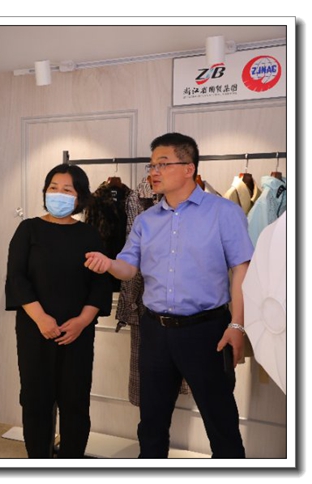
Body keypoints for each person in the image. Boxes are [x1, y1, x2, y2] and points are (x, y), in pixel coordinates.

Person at [85, 133, 252, 458]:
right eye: (152, 165)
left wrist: (237, 325)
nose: (154, 172)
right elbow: (128, 268)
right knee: (151, 422)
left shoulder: (224, 212)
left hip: (206, 331)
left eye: (163, 164)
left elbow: (242, 271)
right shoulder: (146, 220)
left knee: (221, 421)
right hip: (155, 331)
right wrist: (109, 264)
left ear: (189, 168)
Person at [5, 163, 112, 458]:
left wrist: (83, 321)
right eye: (53, 187)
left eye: (67, 189)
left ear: (80, 197)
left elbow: (100, 284)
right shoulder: (28, 229)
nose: (59, 194)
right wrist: (41, 319)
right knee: (36, 400)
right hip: (35, 329)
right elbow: (17, 278)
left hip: (78, 332)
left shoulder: (89, 235)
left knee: (75, 401)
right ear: (44, 191)